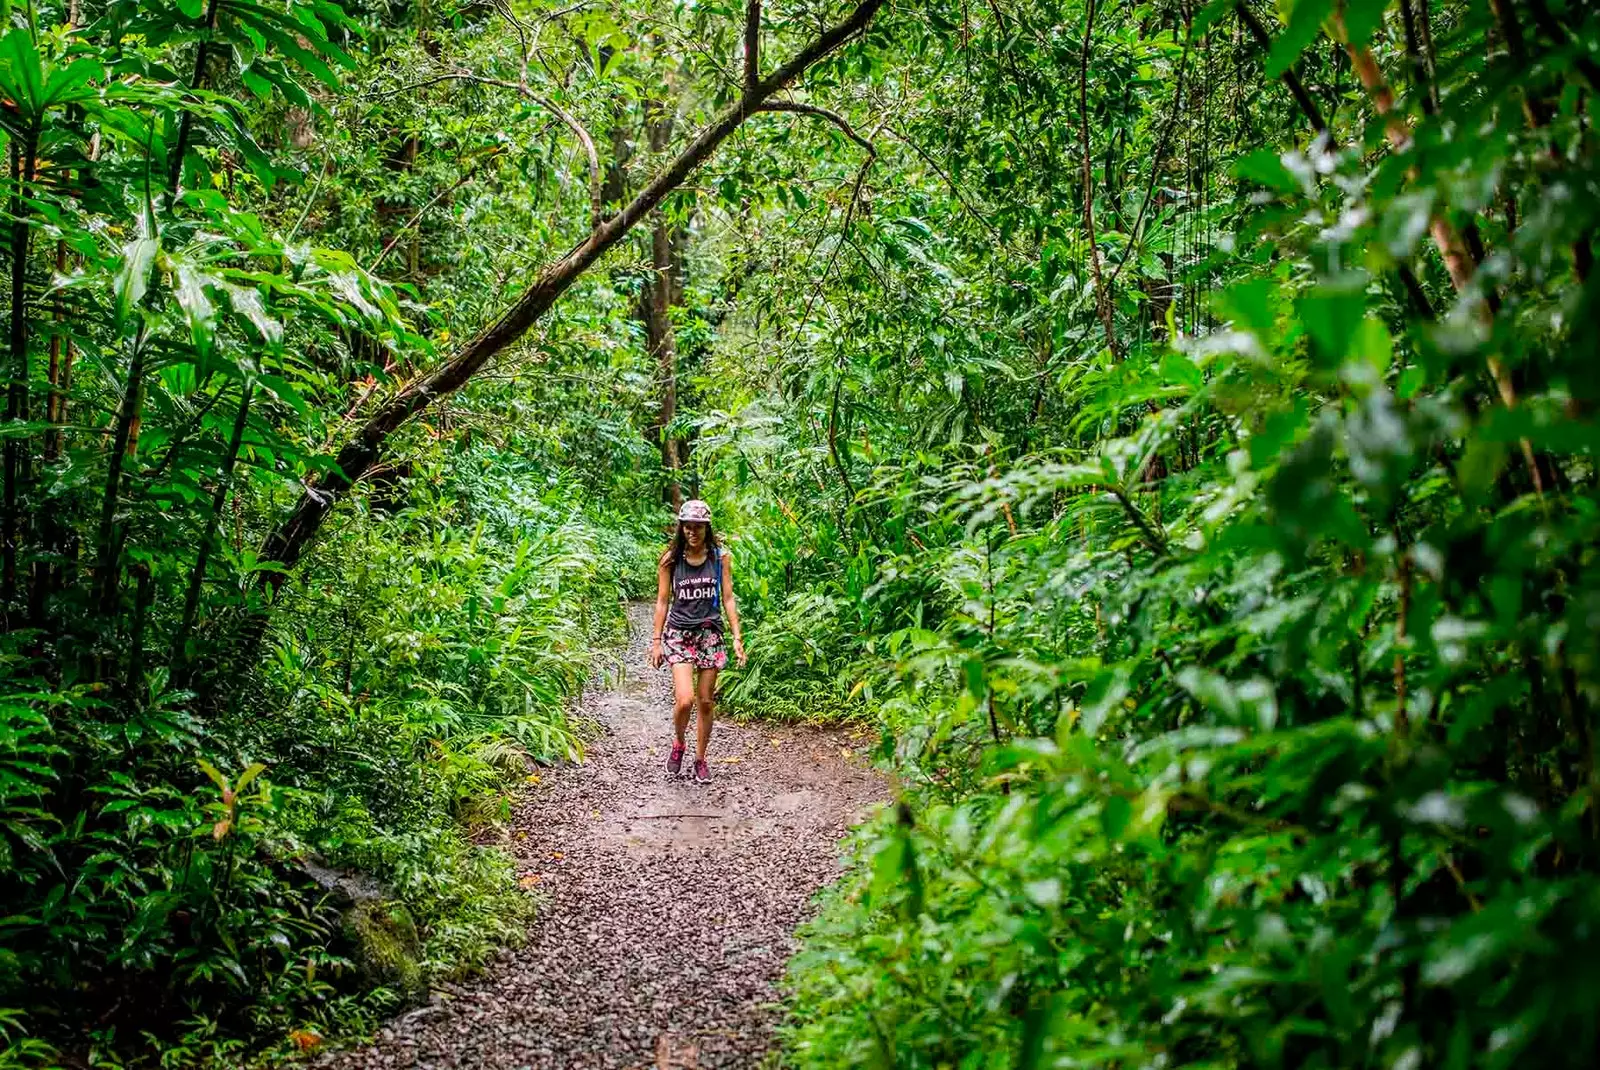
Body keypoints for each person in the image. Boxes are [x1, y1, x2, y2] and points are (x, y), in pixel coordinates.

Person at [650, 499, 746, 782]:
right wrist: (657, 641)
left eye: (698, 528)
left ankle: (701, 759)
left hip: (709, 633)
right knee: (685, 700)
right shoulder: (670, 559)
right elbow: (662, 601)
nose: (693, 533)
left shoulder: (720, 558)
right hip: (679, 633)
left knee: (705, 701)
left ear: (707, 528)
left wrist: (737, 636)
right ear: (682, 529)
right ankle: (679, 743)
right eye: (688, 527)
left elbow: (728, 598)